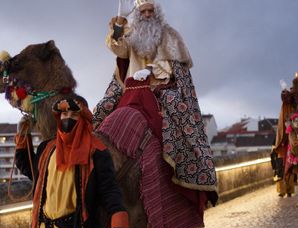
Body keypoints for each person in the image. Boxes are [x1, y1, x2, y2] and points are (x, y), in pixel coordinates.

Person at [93, 0, 217, 197]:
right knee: (101, 111)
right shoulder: (130, 32)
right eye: (144, 11)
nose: (148, 14)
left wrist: (151, 69)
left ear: (157, 12)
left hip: (160, 86)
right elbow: (118, 49)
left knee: (180, 117)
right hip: (132, 87)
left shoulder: (169, 34)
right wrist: (120, 22)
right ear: (138, 14)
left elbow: (173, 62)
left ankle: (193, 166)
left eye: (151, 10)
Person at [15, 94, 129, 228]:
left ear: (83, 118)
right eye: (63, 114)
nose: (67, 118)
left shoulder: (97, 151)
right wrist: (22, 136)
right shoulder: (47, 148)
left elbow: (109, 190)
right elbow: (31, 171)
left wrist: (119, 223)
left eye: (73, 115)